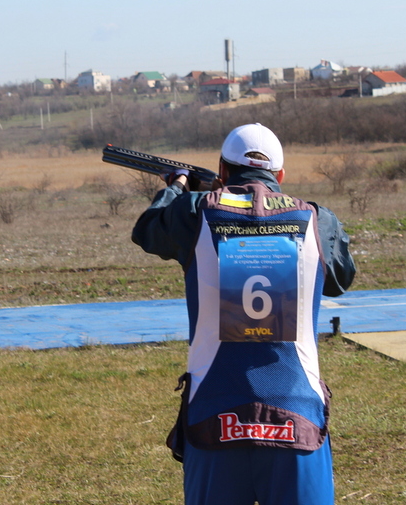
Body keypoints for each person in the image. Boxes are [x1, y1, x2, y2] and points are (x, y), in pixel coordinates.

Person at [131, 123, 356, 505]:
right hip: (298, 415)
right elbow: (339, 279)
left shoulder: (195, 211)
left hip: (213, 414)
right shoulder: (318, 219)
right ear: (280, 176)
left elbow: (148, 230)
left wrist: (179, 186)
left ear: (222, 169)